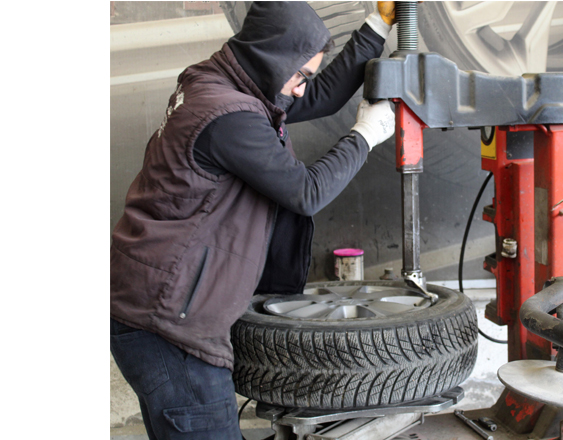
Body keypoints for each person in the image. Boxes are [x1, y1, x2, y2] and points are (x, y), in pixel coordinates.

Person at [110, 2, 397, 438]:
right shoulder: (227, 116)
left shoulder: (227, 80)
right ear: (272, 58)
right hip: (168, 324)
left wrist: (377, 24)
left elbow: (318, 96)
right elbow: (306, 192)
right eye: (299, 74)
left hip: (153, 308)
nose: (301, 90)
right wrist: (365, 136)